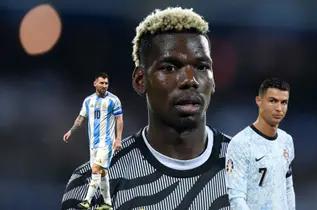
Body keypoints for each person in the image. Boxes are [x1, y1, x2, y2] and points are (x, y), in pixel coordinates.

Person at [61, 7, 231, 210]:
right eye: (170, 67)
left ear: (213, 82)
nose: (190, 80)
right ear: (140, 80)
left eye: (202, 67)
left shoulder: (254, 171)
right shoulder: (94, 183)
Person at [225, 78, 295, 210]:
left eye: (284, 102)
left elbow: (288, 187)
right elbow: (236, 197)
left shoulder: (286, 141)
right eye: (272, 101)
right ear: (259, 101)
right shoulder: (241, 143)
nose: (279, 108)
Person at [62, 72, 124, 210]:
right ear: (95, 83)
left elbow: (119, 119)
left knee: (96, 169)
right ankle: (107, 203)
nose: (104, 86)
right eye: (101, 83)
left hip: (107, 142)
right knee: (102, 173)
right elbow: (80, 118)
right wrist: (71, 131)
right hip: (93, 143)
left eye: (106, 83)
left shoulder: (113, 100)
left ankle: (87, 201)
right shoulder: (88, 101)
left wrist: (118, 139)